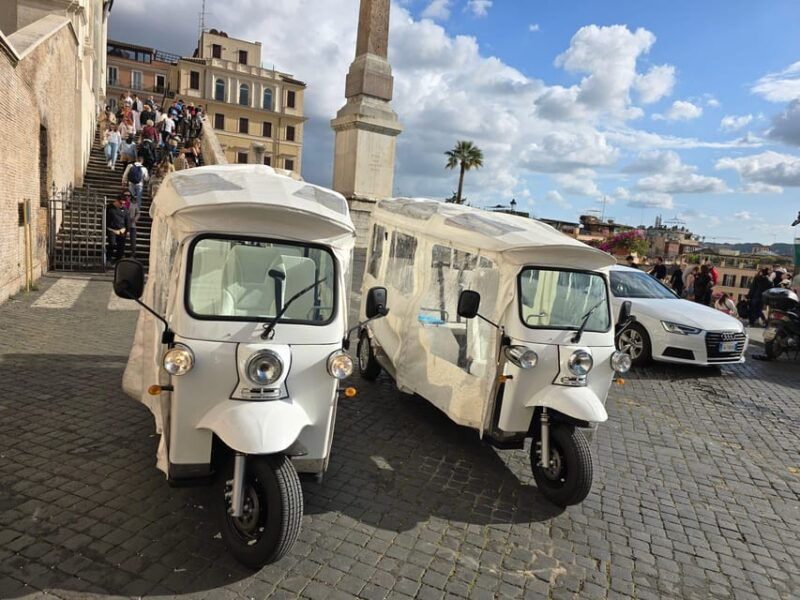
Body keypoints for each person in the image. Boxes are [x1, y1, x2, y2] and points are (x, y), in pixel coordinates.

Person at [106, 195, 129, 263]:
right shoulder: (109, 207)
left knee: (121, 246)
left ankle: (118, 260)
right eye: (121, 203)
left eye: (123, 204)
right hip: (112, 229)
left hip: (122, 230)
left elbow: (127, 219)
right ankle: (108, 259)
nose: (122, 205)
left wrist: (128, 230)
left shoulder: (124, 209)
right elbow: (105, 218)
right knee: (112, 244)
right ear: (116, 201)